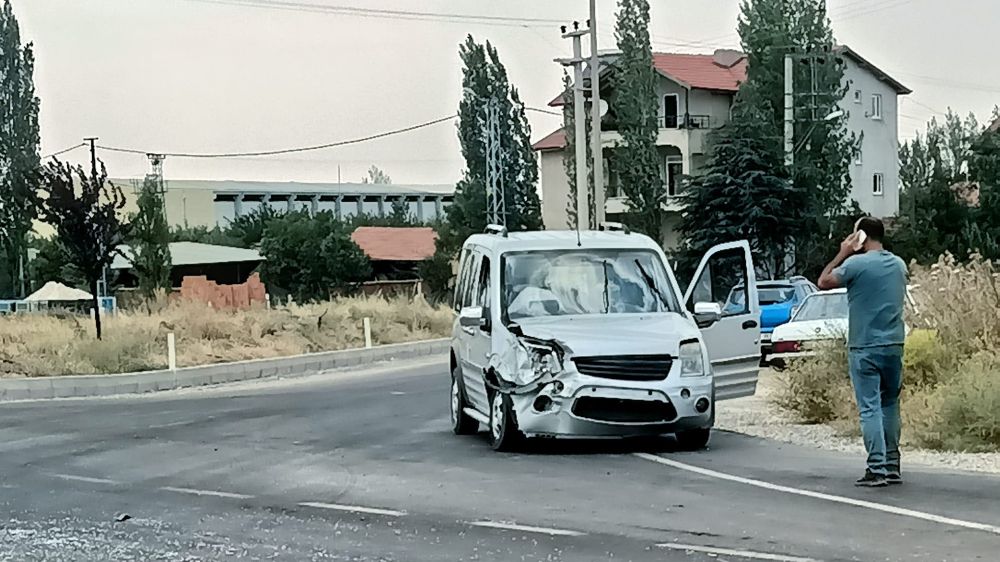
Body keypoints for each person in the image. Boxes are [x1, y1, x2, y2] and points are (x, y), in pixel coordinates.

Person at [818, 216, 908, 488]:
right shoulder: (899, 265)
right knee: (890, 404)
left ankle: (876, 468)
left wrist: (842, 253)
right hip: (893, 344)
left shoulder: (855, 264)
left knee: (869, 407)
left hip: (864, 345)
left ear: (860, 237)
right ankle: (892, 466)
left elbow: (823, 281)